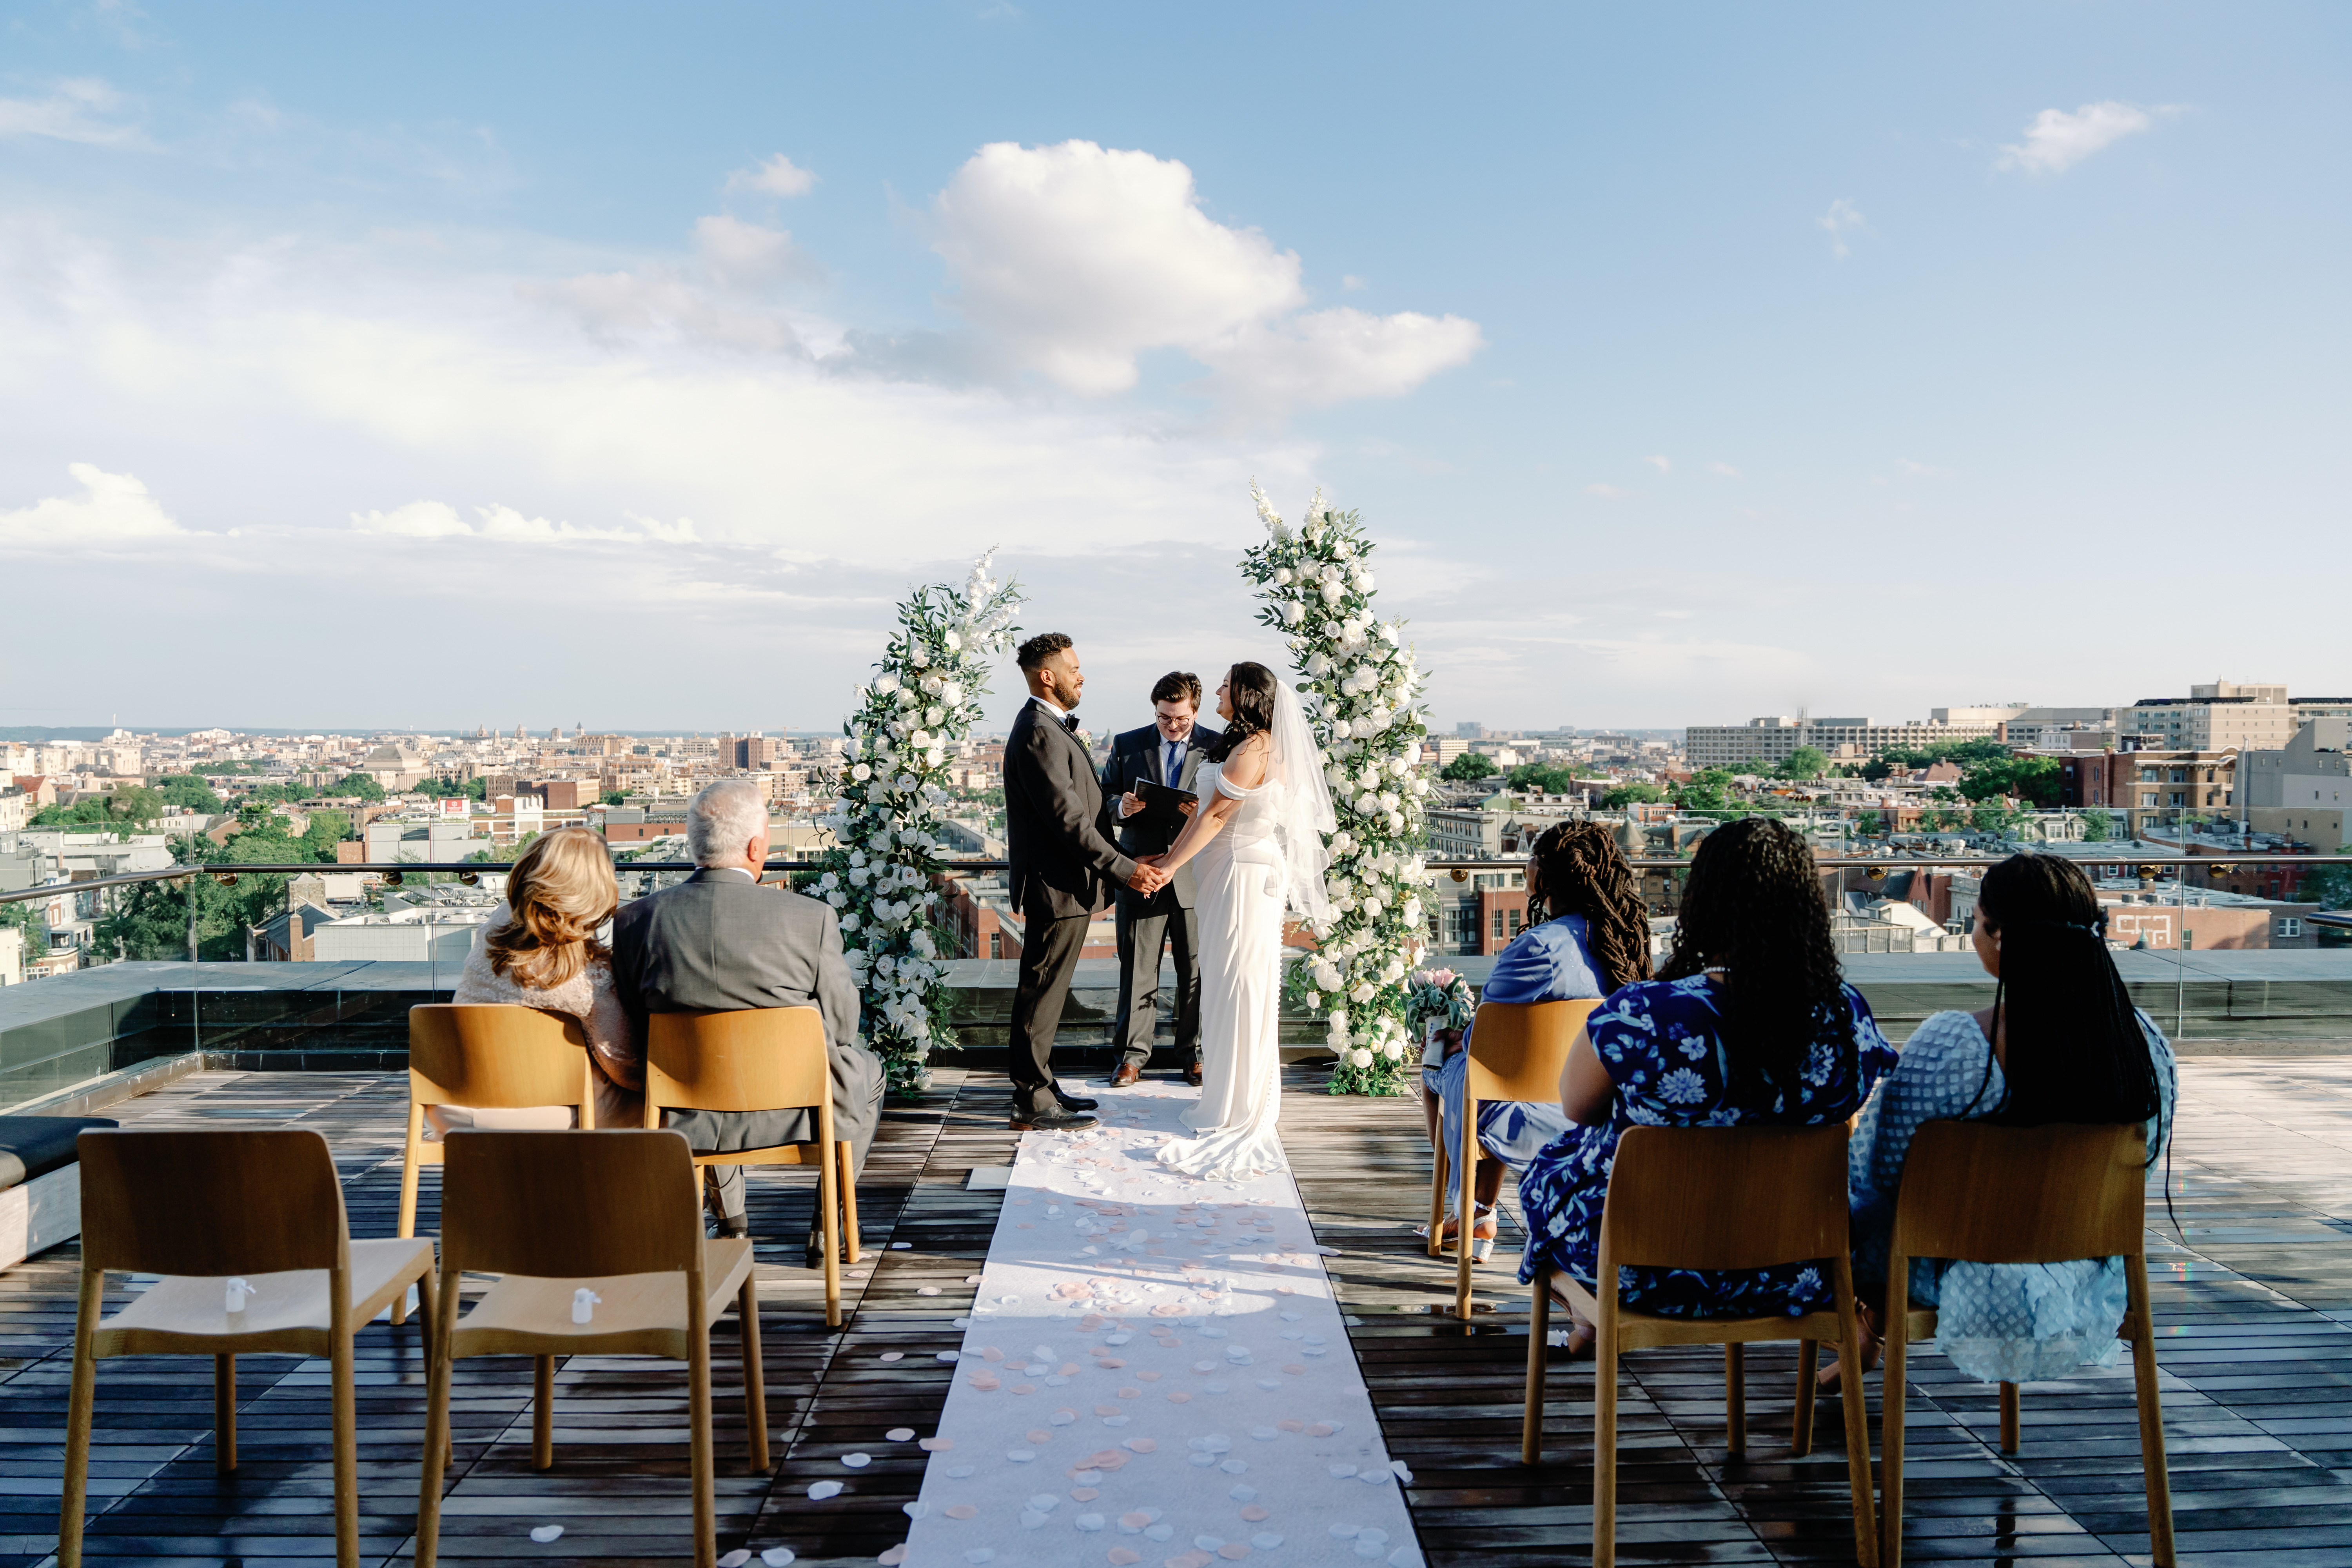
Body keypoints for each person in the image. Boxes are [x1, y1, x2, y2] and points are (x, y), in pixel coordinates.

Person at [1516, 817, 1899, 1353]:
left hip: (1643, 1274)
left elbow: (1576, 1107)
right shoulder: (1845, 1015)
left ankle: (1590, 1321)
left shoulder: (1642, 1014)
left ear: (1704, 901)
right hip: (1795, 1273)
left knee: (1551, 1172)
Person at [1844, 853, 2176, 1386]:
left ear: (1999, 935)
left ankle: (1868, 1331)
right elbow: (2143, 1158)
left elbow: (1884, 1174)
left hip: (1954, 1272)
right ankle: (1870, 1334)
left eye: (1976, 921)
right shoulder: (2146, 1047)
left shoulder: (1953, 1046)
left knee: (1865, 1211)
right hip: (2084, 1273)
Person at [610, 778, 884, 1254]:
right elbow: (842, 1029)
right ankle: (829, 1221)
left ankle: (732, 1220)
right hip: (796, 1109)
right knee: (869, 1070)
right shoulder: (809, 918)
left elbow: (636, 1028)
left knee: (700, 1063)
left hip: (686, 1112)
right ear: (758, 846)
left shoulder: (636, 922)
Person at [1417, 822, 1653, 1261]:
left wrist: (1455, 1039)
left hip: (1523, 1110)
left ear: (1543, 875)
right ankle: (1482, 1212)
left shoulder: (1536, 947)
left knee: (1440, 1066)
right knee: (1497, 1075)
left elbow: (1488, 1040)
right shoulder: (1627, 944)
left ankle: (1465, 1208)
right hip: (1595, 1110)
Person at [1144, 662, 1334, 1183]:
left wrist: (1168, 866)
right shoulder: (1251, 746)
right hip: (1229, 869)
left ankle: (1240, 1107)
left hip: (1242, 874)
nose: (1219, 690)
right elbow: (1207, 812)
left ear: (1247, 694)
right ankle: (1229, 1096)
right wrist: (1173, 854)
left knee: (1240, 986)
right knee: (1229, 985)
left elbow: (1217, 817)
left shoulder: (1255, 749)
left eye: (1226, 684)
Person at [1001, 632, 1167, 1131]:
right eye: (1073, 668)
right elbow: (1068, 820)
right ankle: (1031, 1099)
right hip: (1055, 884)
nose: (1082, 675)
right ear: (1046, 676)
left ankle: (1043, 1084)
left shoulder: (1048, 728)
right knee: (1041, 991)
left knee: (1048, 990)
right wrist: (1125, 869)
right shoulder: (1038, 731)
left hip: (1066, 884)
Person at [442, 825, 643, 1134]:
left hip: (452, 1103)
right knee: (652, 1102)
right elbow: (624, 1067)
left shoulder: (492, 931)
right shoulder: (590, 982)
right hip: (539, 1114)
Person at [1098, 671, 1221, 1088]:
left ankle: (1194, 1055)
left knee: (1195, 970)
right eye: (1164, 717)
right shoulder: (1127, 743)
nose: (1171, 726)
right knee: (1137, 970)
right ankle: (1131, 1058)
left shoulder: (1217, 745)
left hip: (1195, 873)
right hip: (1141, 872)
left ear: (1196, 712)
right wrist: (1123, 807)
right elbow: (1103, 799)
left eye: (1181, 720)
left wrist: (1200, 812)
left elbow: (1225, 808)